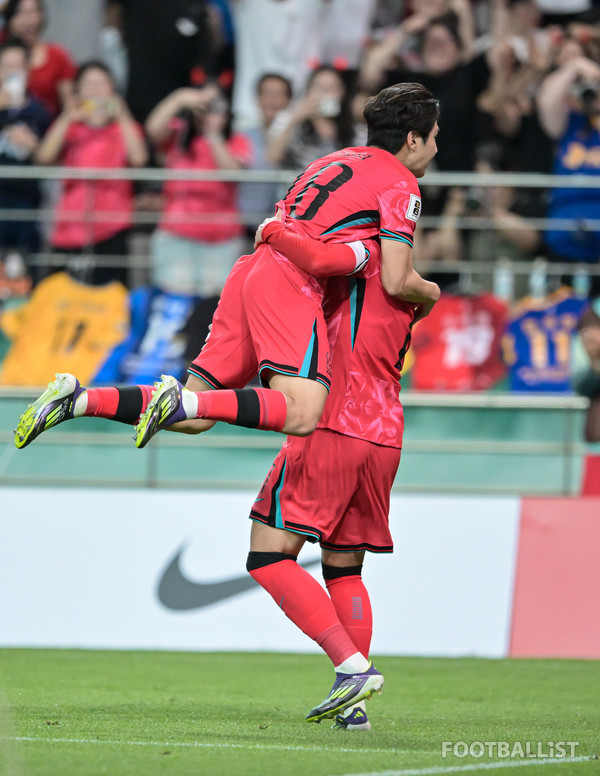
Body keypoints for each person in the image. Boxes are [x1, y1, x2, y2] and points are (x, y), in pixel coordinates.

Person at [36, 60, 147, 285]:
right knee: (59, 290)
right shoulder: (71, 127)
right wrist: (67, 116)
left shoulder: (124, 127)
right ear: (78, 91)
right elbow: (44, 157)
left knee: (111, 293)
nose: (96, 90)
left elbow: (139, 158)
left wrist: (122, 114)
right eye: (89, 84)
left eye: (102, 84)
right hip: (71, 225)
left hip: (112, 225)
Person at [145, 82, 251, 300]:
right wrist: (179, 97)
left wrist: (213, 135)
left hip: (221, 240)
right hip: (177, 236)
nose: (208, 110)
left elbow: (232, 173)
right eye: (203, 103)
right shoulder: (180, 136)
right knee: (174, 301)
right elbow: (153, 130)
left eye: (215, 105)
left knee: (215, 307)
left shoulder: (236, 140)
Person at [0, 37, 50, 277]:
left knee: (21, 276)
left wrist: (34, 146)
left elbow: (48, 158)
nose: (12, 73)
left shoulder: (39, 112)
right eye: (6, 66)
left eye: (18, 66)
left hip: (26, 205)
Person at [266, 64, 356, 171]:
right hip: (299, 185)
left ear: (342, 92)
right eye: (320, 87)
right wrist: (295, 118)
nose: (326, 93)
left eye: (332, 88)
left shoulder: (352, 125)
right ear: (308, 91)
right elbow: (273, 158)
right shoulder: (288, 119)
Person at [1, 0, 76, 116]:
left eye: (33, 12)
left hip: (45, 127)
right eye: (19, 13)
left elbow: (69, 106)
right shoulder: (2, 45)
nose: (28, 20)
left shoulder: (58, 56)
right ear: (9, 17)